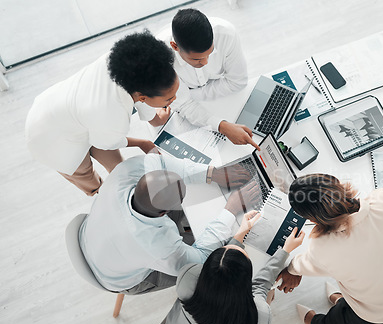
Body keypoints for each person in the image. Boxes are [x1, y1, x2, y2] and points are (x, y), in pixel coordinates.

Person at [79, 152, 259, 294]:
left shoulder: (126, 170)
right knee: (214, 266)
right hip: (114, 278)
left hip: (91, 235)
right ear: (164, 213)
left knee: (198, 226)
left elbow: (162, 163)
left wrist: (212, 173)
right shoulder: (157, 246)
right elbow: (201, 260)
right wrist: (230, 210)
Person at [25, 30, 178, 196]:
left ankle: (124, 185)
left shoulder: (125, 63)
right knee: (86, 175)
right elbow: (106, 143)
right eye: (169, 99)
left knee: (118, 166)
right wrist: (143, 143)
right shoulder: (113, 115)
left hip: (63, 105)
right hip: (50, 138)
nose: (174, 99)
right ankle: (100, 193)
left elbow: (107, 135)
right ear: (142, 96)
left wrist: (155, 119)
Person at [277, 174, 383, 324]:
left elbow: (304, 264)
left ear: (311, 219)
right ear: (338, 186)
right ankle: (342, 301)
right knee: (357, 288)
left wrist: (291, 270)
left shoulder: (324, 247)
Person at [163, 213, 305, 324]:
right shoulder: (259, 316)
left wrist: (241, 233)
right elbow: (261, 286)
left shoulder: (186, 277)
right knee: (269, 293)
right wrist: (285, 250)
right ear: (246, 283)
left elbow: (221, 268)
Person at [154, 8, 260, 150]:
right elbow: (183, 106)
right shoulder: (156, 57)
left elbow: (238, 82)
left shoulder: (226, 34)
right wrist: (223, 126)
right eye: (196, 59)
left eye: (210, 54)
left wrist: (185, 97)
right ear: (175, 46)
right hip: (197, 111)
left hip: (219, 100)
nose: (205, 63)